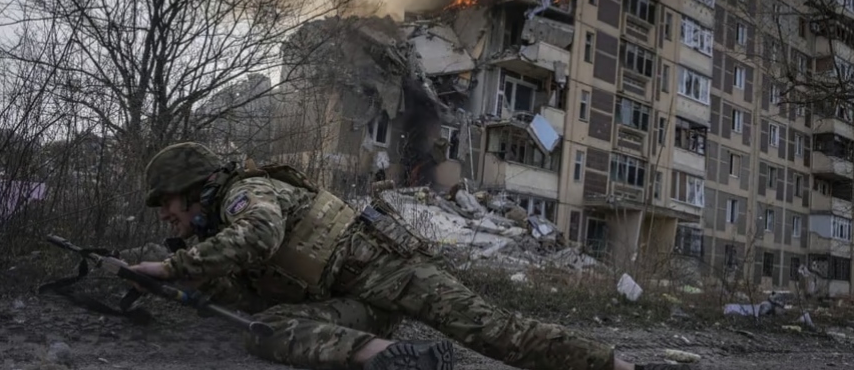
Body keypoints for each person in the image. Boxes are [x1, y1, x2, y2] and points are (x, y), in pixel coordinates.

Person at [130, 142, 693, 370]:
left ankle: (619, 366)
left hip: (392, 274)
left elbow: (261, 235)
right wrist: (185, 278)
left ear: (193, 188)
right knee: (264, 329)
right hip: (355, 307)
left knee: (497, 333)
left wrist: (173, 268)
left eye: (167, 203)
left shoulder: (244, 194)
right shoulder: (215, 228)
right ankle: (399, 359)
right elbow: (249, 296)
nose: (165, 216)